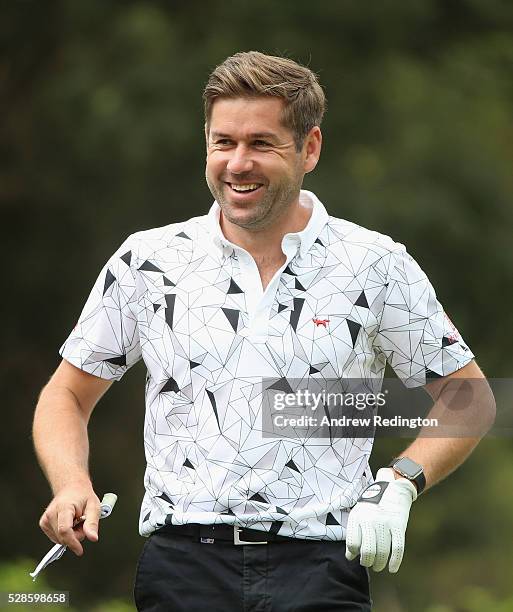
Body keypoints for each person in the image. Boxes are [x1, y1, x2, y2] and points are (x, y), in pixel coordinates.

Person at [33, 51, 495, 611]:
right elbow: (66, 394)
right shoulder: (148, 262)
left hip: (321, 570)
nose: (238, 163)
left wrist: (399, 481)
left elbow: (468, 399)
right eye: (223, 142)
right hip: (182, 568)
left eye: (261, 144)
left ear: (311, 148)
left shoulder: (376, 264)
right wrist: (70, 482)